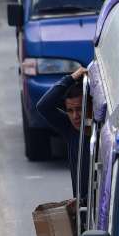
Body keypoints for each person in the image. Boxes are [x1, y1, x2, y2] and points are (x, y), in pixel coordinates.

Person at [33, 66, 89, 201]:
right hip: (83, 211)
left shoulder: (102, 133)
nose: (75, 116)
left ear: (90, 106)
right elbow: (43, 106)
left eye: (79, 109)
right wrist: (71, 78)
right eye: (70, 110)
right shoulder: (70, 129)